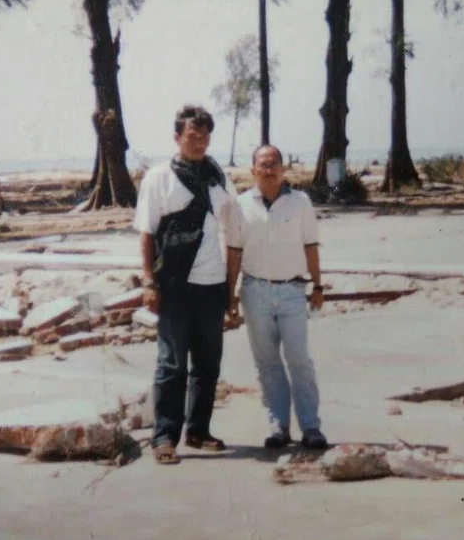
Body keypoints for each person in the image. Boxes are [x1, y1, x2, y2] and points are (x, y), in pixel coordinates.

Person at [134, 105, 235, 465]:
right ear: (177, 138)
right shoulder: (159, 177)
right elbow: (146, 234)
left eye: (206, 136)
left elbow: (231, 226)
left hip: (212, 284)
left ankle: (198, 431)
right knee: (172, 364)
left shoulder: (217, 176)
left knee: (208, 365)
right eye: (193, 136)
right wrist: (149, 282)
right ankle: (164, 437)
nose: (200, 142)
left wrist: (230, 286)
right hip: (174, 284)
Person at [225, 144, 329, 450]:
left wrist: (318, 286)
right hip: (254, 291)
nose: (268, 169)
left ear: (283, 169)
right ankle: (278, 426)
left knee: (299, 360)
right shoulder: (240, 206)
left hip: (293, 291)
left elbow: (311, 245)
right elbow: (234, 251)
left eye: (274, 164)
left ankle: (311, 427)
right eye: (262, 164)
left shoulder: (300, 202)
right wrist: (229, 295)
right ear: (253, 170)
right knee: (267, 362)